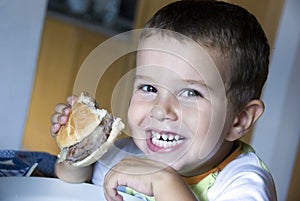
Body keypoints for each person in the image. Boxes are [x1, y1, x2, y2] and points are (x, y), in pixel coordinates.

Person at [50, 0, 277, 200]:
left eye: (190, 93)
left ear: (239, 120)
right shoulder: (128, 152)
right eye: (149, 87)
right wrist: (78, 150)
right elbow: (73, 182)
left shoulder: (243, 183)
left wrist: (164, 182)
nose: (160, 110)